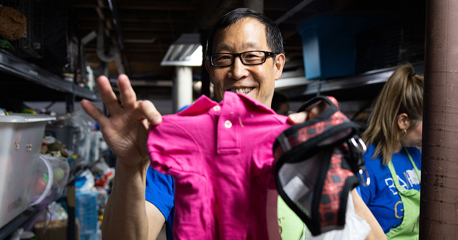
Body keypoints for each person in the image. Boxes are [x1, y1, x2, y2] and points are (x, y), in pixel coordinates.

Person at [81, 8, 385, 240]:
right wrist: (130, 165)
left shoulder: (302, 138)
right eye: (223, 59)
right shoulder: (184, 135)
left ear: (277, 65)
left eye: (252, 56)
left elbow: (370, 234)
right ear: (211, 70)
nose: (237, 71)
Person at [357, 62, 423, 239]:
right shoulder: (366, 165)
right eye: (427, 123)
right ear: (403, 122)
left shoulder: (416, 156)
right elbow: (354, 229)